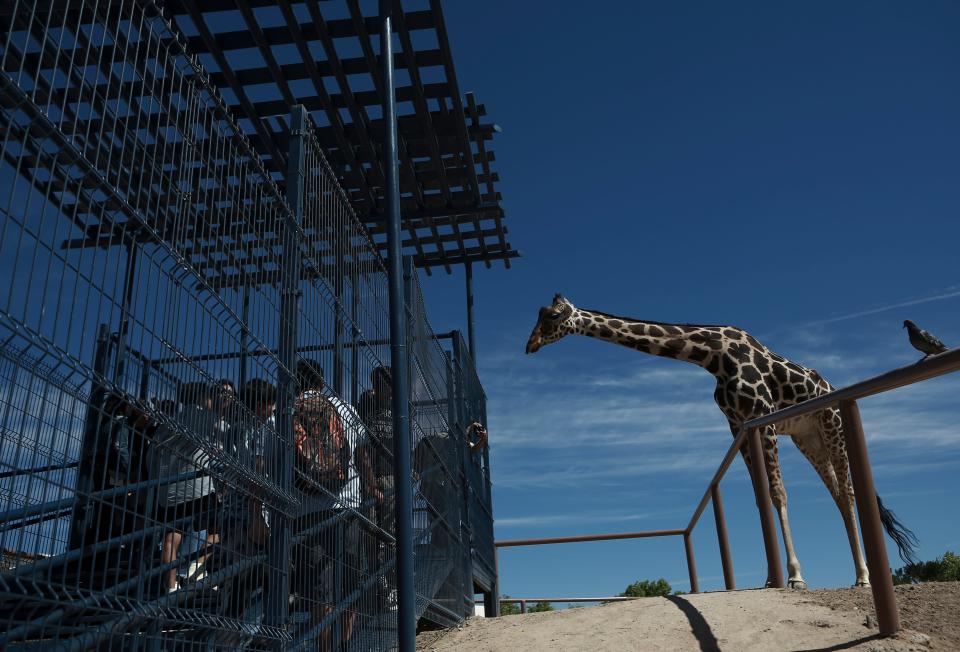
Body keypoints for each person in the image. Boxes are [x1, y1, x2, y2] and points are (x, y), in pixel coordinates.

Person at [289, 369, 355, 651]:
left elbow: (265, 464)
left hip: (305, 509)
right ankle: (345, 644)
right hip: (346, 503)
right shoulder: (343, 409)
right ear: (322, 383)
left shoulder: (285, 412)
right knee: (350, 579)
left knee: (320, 588)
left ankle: (324, 648)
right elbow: (360, 451)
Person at [152, 382, 222, 594]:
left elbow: (152, 457)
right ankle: (194, 570)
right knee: (217, 530)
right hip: (199, 487)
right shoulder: (210, 420)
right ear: (202, 397)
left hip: (169, 491)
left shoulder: (168, 422)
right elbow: (223, 450)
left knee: (171, 538)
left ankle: (170, 587)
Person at [353, 366, 395, 610]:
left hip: (390, 474)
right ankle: (376, 578)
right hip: (369, 472)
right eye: (380, 384)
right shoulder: (366, 401)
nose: (384, 389)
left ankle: (390, 582)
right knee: (369, 528)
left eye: (388, 384)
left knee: (388, 531)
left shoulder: (400, 405)